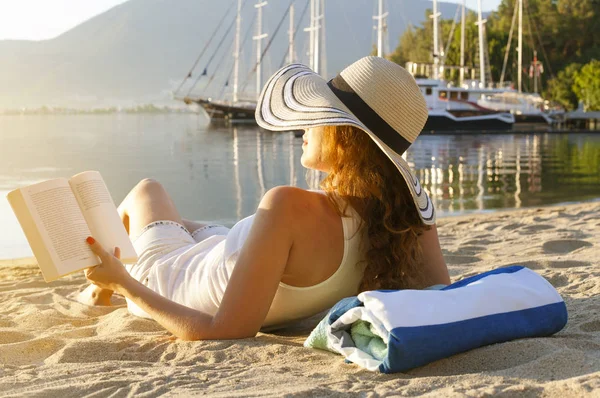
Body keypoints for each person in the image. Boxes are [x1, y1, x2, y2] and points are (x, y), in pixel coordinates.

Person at [76, 56, 450, 340]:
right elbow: (444, 299)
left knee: (147, 190)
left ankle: (99, 287)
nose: (305, 125)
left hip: (170, 278)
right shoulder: (406, 219)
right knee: (187, 224)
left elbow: (224, 331)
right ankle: (101, 282)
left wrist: (124, 283)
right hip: (224, 252)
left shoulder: (287, 206)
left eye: (318, 115)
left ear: (345, 134)